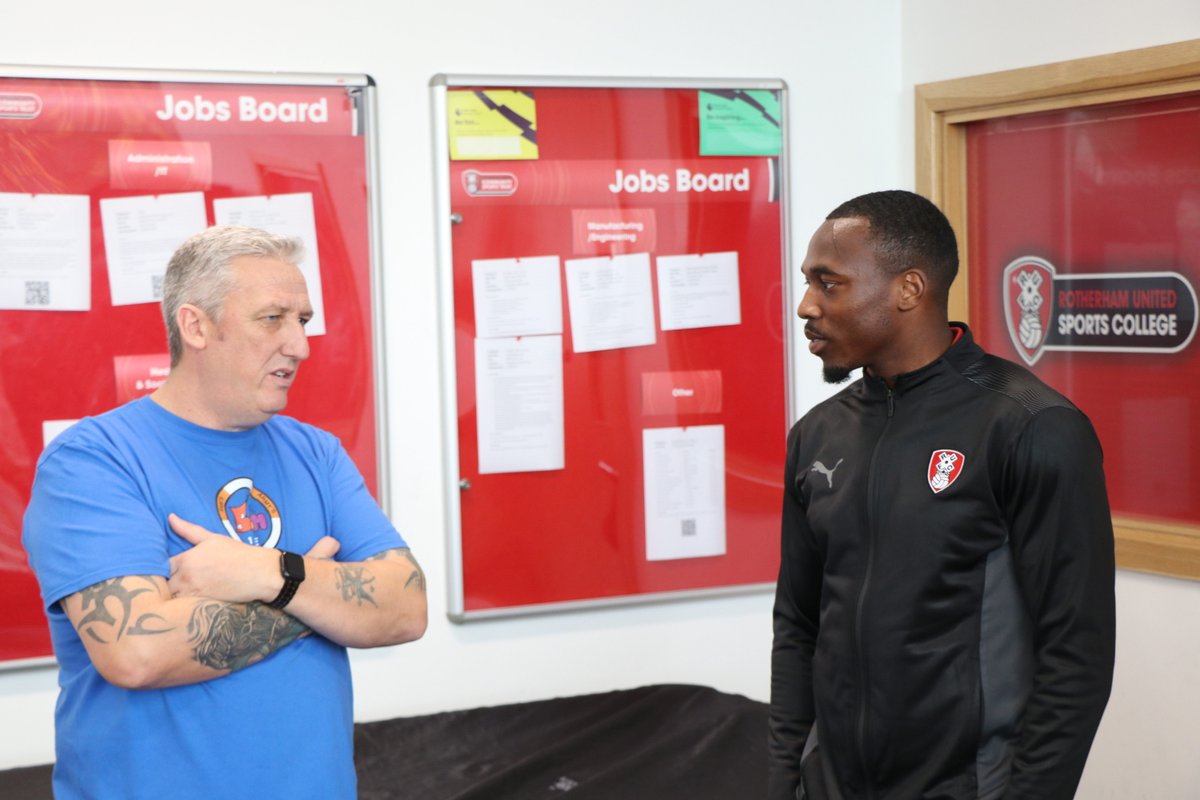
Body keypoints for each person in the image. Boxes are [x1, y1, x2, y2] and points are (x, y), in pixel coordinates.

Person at [23, 225, 427, 799]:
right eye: (273, 319)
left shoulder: (317, 452)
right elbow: (137, 652)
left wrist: (268, 575)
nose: (300, 345)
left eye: (303, 320)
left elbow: (405, 608)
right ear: (196, 326)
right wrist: (319, 593)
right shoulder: (93, 461)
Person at [768, 191, 1115, 800]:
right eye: (808, 283)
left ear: (908, 290)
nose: (806, 305)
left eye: (829, 284)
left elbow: (1076, 653)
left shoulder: (1030, 426)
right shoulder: (817, 436)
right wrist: (782, 781)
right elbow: (798, 624)